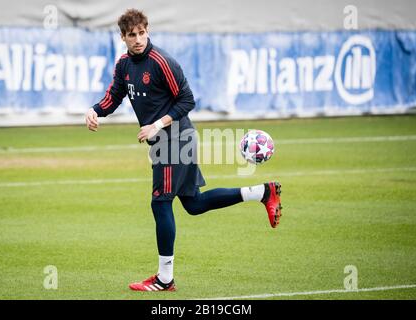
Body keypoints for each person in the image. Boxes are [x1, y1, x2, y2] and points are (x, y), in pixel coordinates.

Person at [85, 8, 282, 292]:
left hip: (174, 138)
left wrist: (156, 125)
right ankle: (262, 192)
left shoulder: (162, 62)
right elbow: (114, 96)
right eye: (132, 35)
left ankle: (165, 279)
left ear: (148, 30)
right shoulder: (123, 65)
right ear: (123, 37)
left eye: (142, 33)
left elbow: (187, 100)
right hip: (167, 140)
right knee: (194, 204)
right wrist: (94, 111)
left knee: (160, 202)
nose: (138, 39)